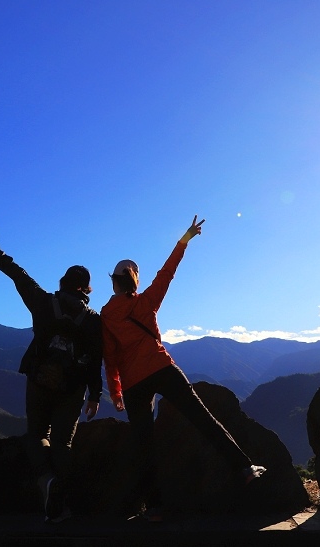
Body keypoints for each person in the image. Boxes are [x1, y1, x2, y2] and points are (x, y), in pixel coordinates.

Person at [101, 216, 265, 521]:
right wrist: (185, 238)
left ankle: (154, 507)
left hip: (134, 384)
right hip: (162, 368)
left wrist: (116, 392)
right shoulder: (146, 301)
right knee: (202, 418)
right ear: (134, 279)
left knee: (143, 444)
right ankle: (244, 467)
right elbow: (168, 273)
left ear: (114, 281)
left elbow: (110, 358)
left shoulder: (106, 315)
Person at [0, 230, 103, 523]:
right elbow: (95, 360)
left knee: (37, 435)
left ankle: (47, 481)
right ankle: (65, 502)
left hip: (39, 379)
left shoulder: (42, 301)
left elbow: (19, 276)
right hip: (73, 388)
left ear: (63, 282)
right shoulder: (92, 320)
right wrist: (95, 395)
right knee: (62, 443)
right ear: (86, 289)